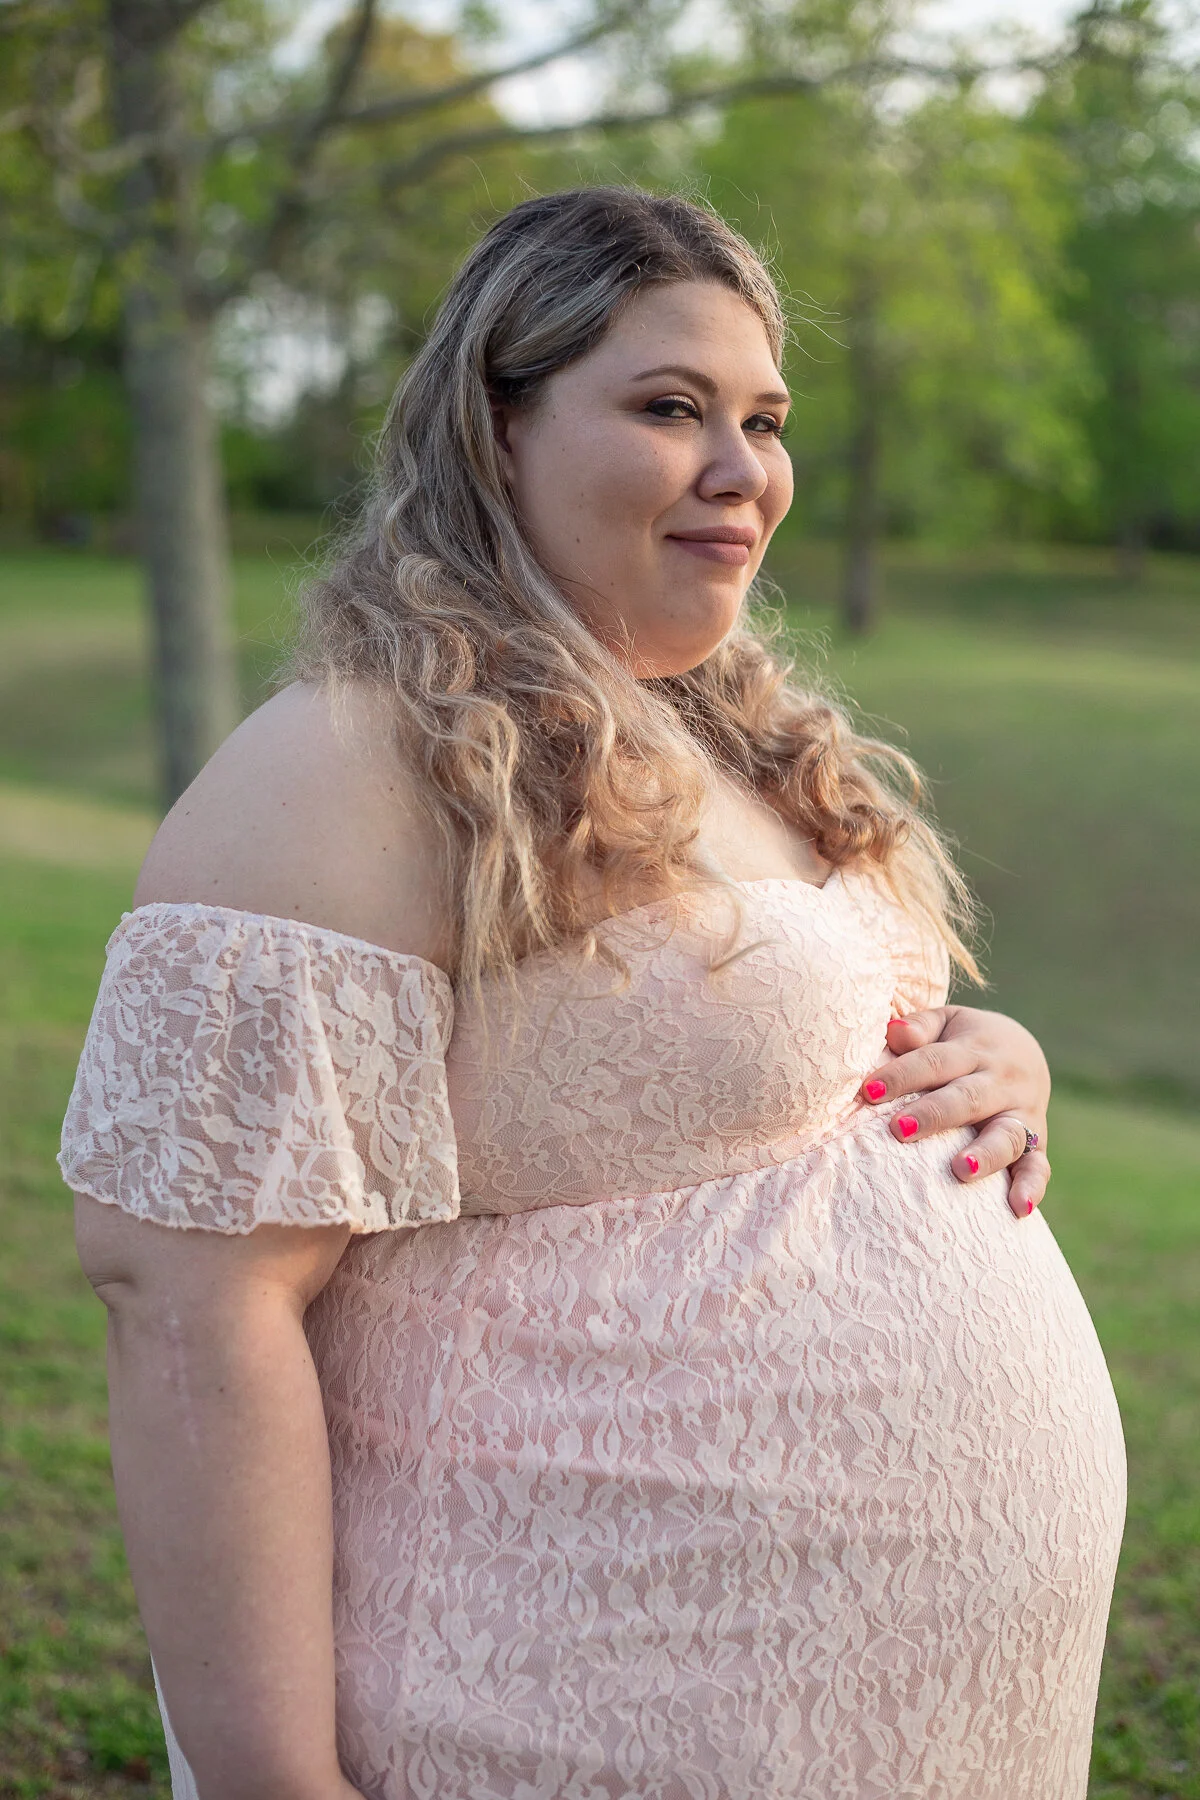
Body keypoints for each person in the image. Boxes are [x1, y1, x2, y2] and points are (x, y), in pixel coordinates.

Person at [60, 188, 1125, 1800]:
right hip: (562, 1706)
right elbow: (189, 1298)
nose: (741, 469)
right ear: (497, 427)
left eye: (764, 420)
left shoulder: (729, 730)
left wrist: (1000, 1059)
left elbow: (811, 1058)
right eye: (670, 408)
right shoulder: (347, 763)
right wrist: (275, 1780)